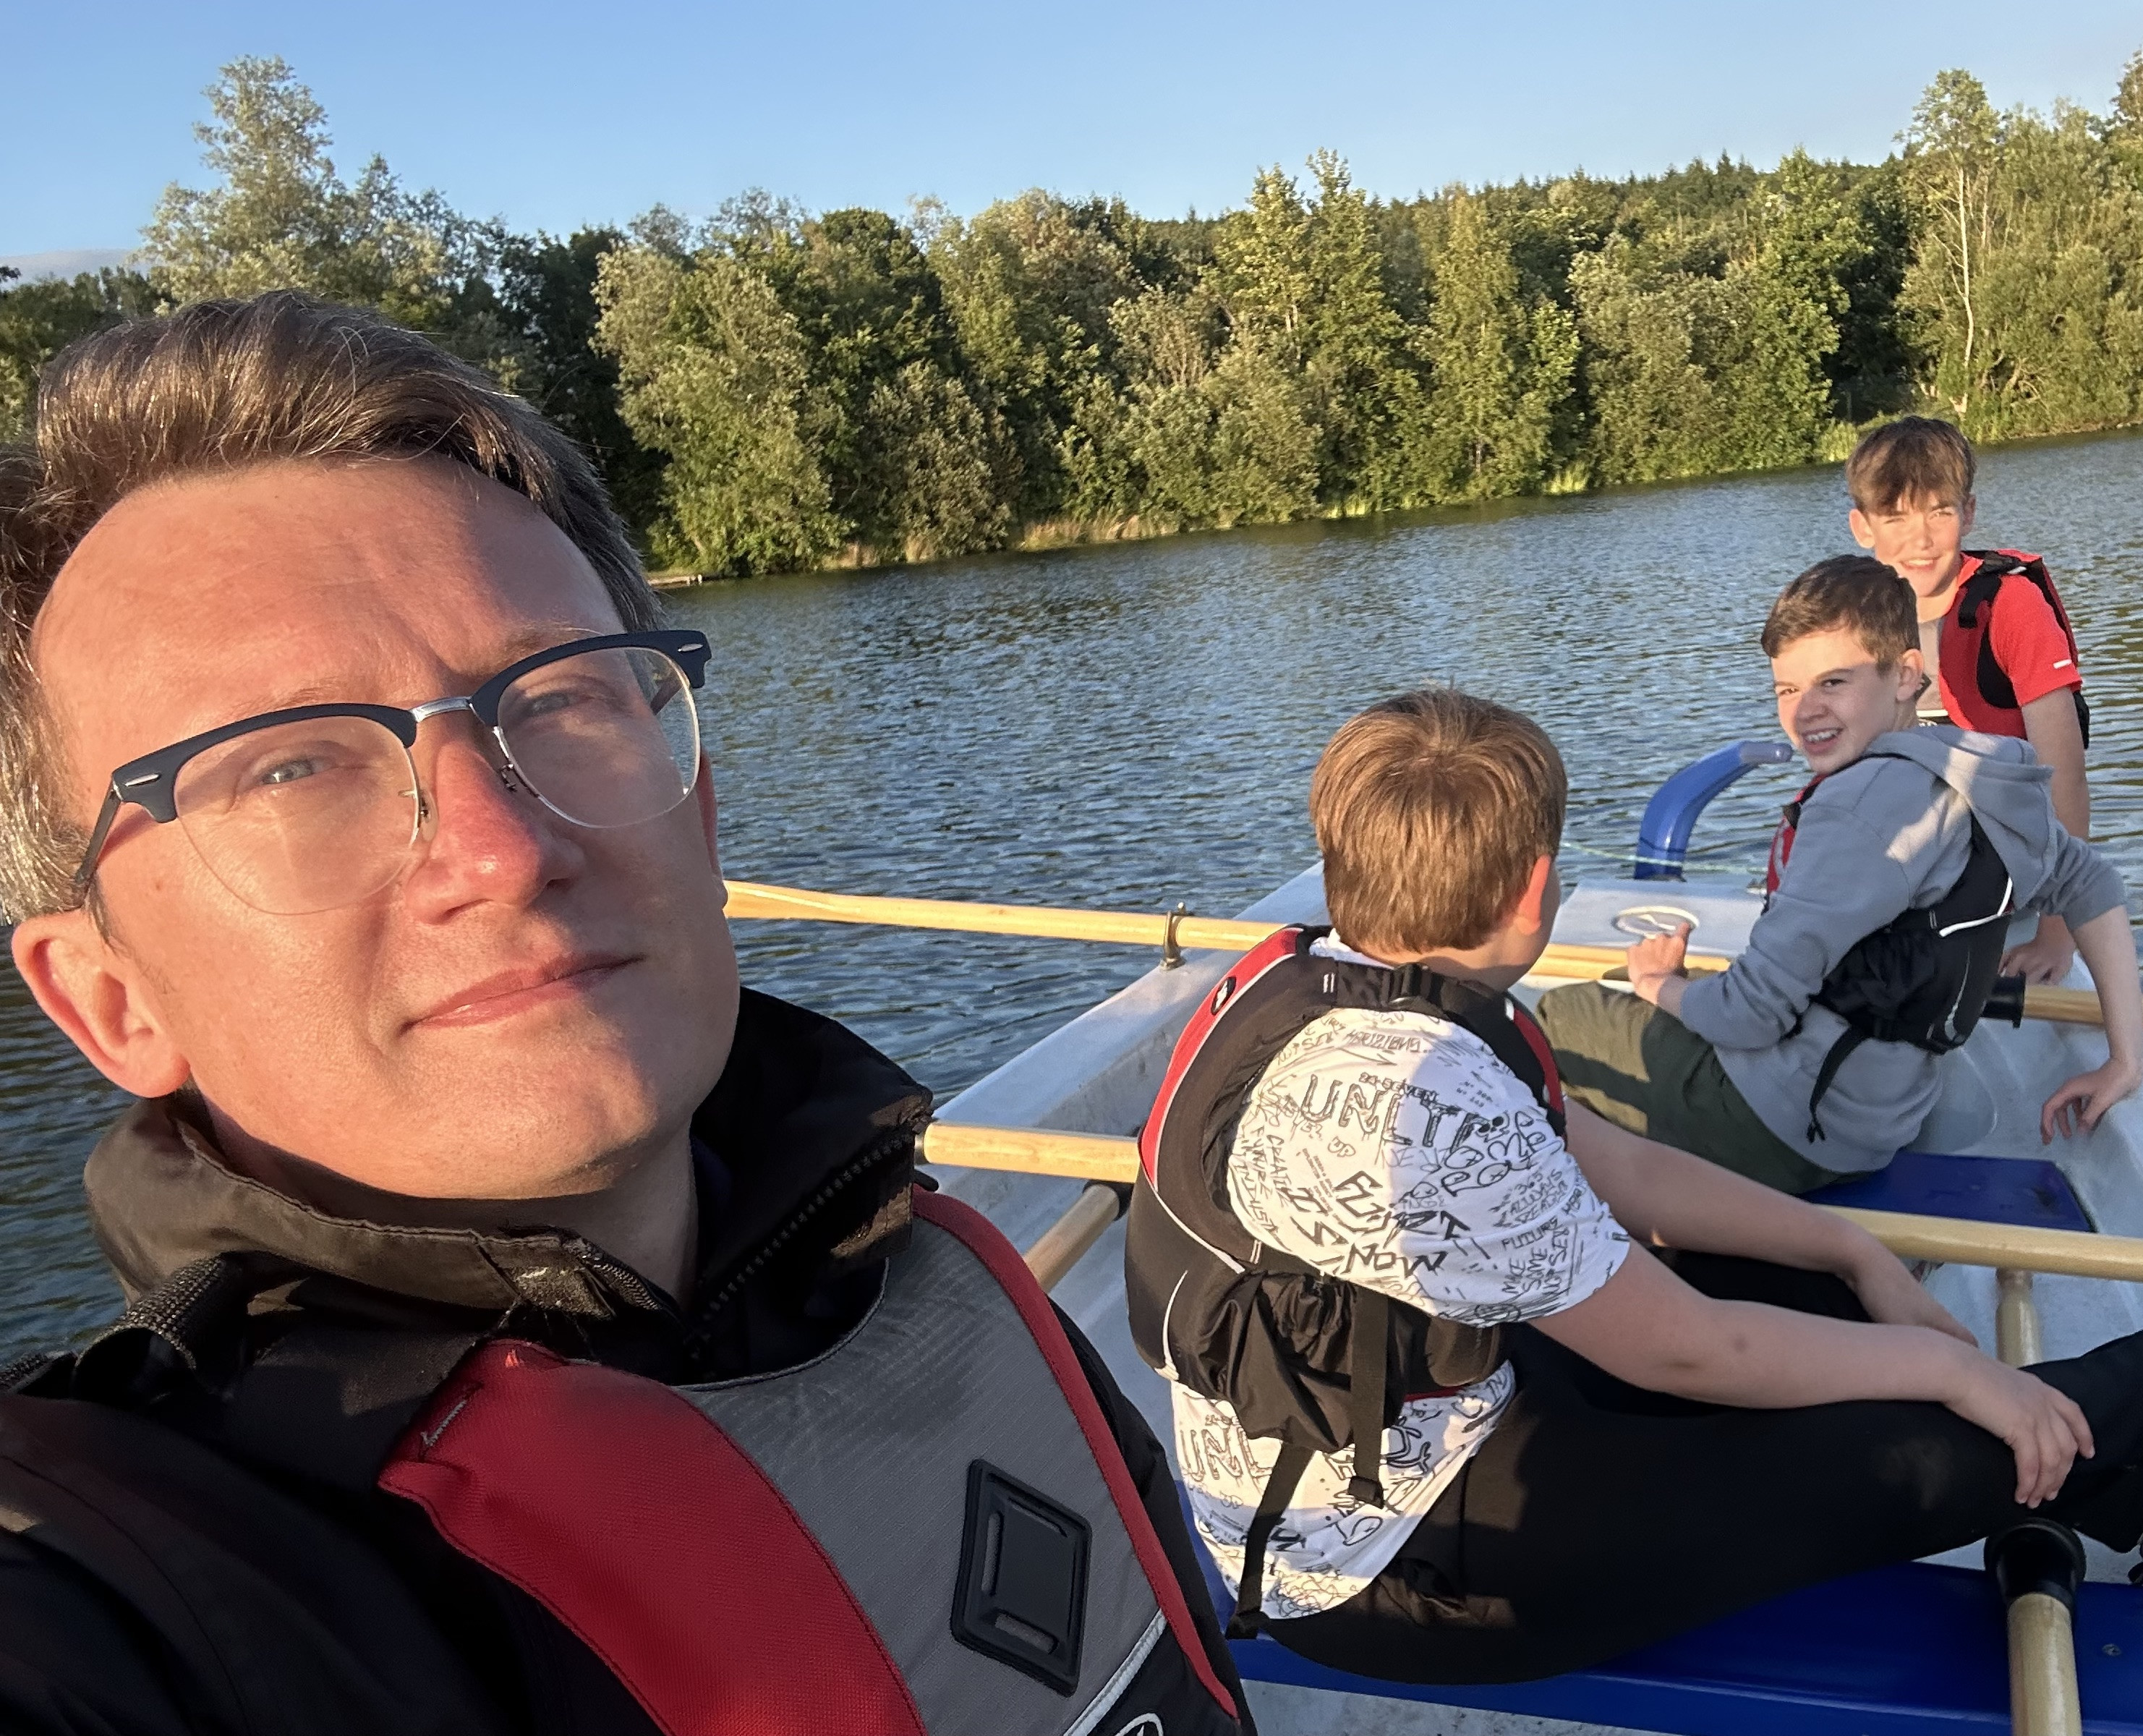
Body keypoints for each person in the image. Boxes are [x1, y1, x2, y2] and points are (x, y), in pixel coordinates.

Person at [0, 292, 1247, 1736]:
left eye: (559, 700)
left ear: (698, 815)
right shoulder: (125, 1594)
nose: (501, 850)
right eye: (288, 768)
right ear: (110, 998)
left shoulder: (931, 1285)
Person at [1125, 685, 2143, 1686]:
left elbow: (1626, 1168)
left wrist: (1852, 1254)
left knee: (1816, 1292)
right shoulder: (1429, 1098)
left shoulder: (1303, 978)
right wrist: (1956, 1371)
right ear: (1535, 889)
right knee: (1906, 1450)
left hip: (1420, 1426)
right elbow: (1694, 1351)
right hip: (1391, 1572)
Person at [1537, 555, 2143, 1191]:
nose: (1806, 711)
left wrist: (1658, 982)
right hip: (1886, 1115)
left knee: (1556, 1016)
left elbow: (1748, 1018)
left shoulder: (1857, 808)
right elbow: (2093, 885)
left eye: (1833, 682)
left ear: (1906, 675)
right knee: (1647, 993)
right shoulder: (1976, 778)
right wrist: (2125, 1060)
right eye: (1787, 689)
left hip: (1785, 1127)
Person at [1845, 414, 2091, 982]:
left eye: (1940, 511)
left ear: (1969, 512)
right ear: (1862, 527)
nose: (1921, 539)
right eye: (1896, 517)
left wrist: (2057, 936)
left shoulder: (2011, 607)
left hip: (2008, 875)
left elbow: (2067, 777)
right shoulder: (1856, 618)